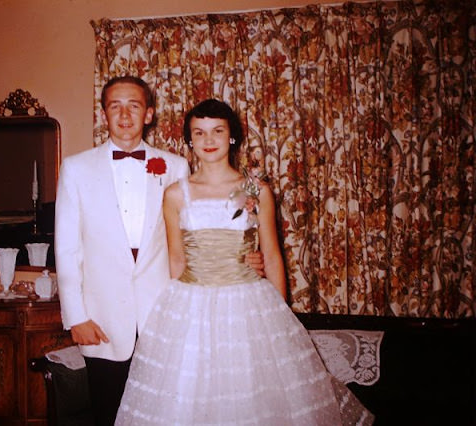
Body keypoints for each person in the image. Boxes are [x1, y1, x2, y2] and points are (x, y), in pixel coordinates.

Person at [115, 99, 374, 425]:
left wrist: (279, 318)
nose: (208, 141)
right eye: (199, 133)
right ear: (189, 140)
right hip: (192, 303)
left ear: (232, 136)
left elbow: (270, 254)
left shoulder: (253, 190)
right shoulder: (176, 195)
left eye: (217, 131)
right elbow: (177, 258)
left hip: (247, 302)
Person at [54, 77, 264, 426]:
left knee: (168, 413)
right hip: (101, 319)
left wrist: (245, 258)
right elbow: (66, 247)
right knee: (108, 413)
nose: (124, 114)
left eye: (134, 105)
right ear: (103, 113)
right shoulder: (76, 168)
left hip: (166, 316)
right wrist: (75, 316)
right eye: (114, 106)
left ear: (149, 114)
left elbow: (196, 237)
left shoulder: (175, 167)